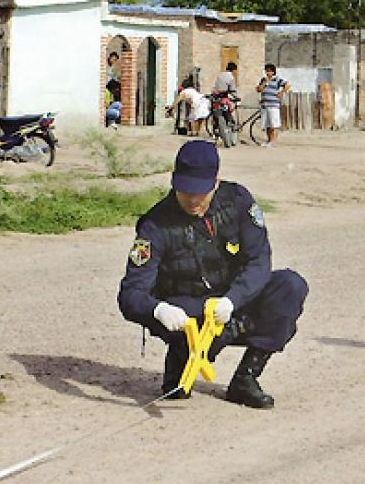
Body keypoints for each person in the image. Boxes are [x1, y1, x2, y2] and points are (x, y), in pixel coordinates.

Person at [118, 141, 308, 409]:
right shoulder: (154, 225)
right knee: (177, 389)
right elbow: (130, 294)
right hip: (188, 308)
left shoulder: (238, 202)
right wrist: (158, 310)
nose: (193, 200)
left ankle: (246, 378)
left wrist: (232, 299)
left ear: (215, 183)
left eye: (200, 192)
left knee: (290, 286)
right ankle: (183, 356)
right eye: (185, 191)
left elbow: (259, 261)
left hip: (229, 301)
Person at [256, 64, 290, 147]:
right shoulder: (263, 80)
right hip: (265, 105)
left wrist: (281, 92)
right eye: (266, 71)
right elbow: (258, 89)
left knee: (274, 124)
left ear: (273, 72)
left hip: (273, 105)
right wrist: (264, 83)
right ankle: (268, 141)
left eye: (269, 71)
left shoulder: (277, 80)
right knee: (267, 124)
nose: (268, 73)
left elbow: (287, 85)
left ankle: (273, 142)